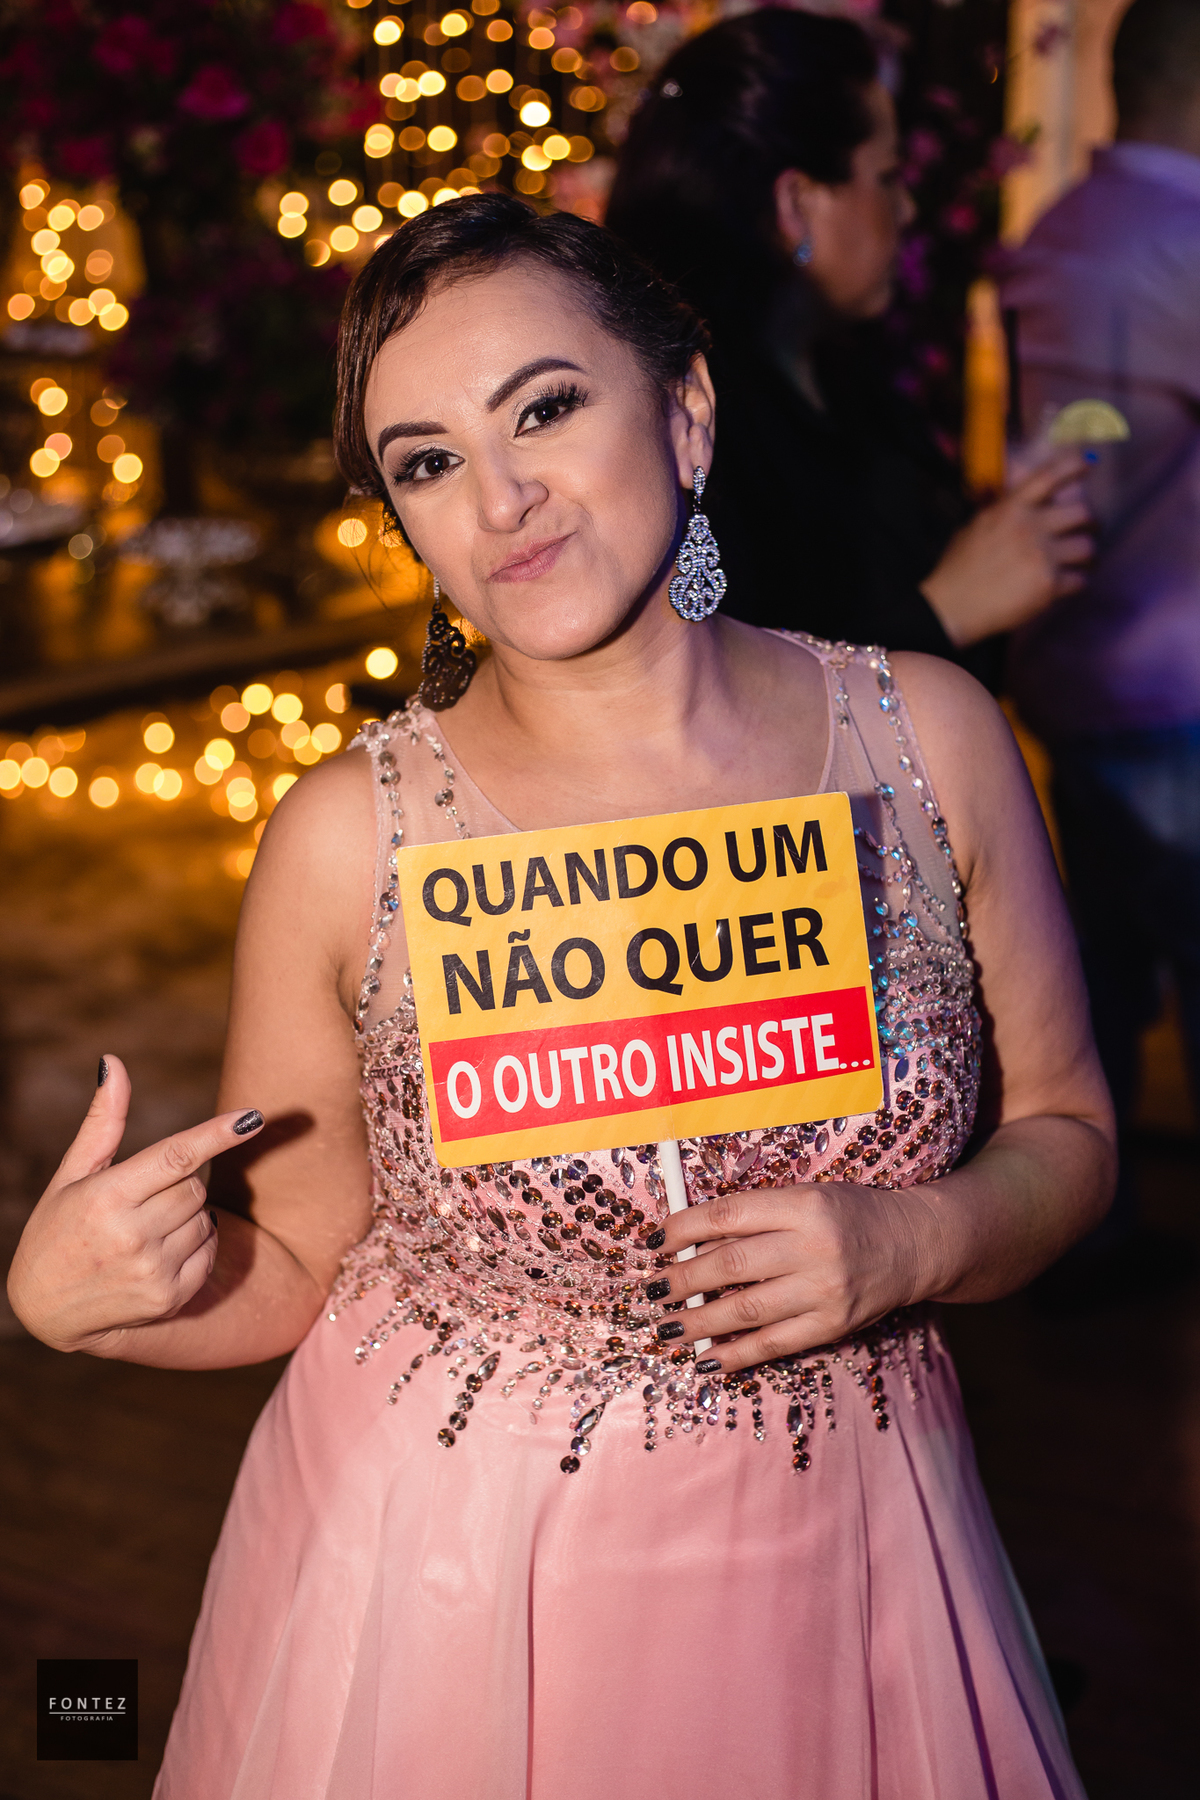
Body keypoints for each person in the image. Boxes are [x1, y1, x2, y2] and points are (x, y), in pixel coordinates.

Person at [8, 195, 1113, 1799]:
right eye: (427, 460)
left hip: (860, 1541)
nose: (500, 496)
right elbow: (301, 1261)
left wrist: (916, 1240)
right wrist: (91, 1303)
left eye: (543, 408)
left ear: (687, 409)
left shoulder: (924, 739)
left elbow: (1072, 1131)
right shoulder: (350, 838)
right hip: (464, 1575)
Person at [606, 8, 1093, 672]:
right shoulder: (691, 432)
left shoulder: (847, 378)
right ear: (796, 205)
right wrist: (947, 610)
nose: (908, 209)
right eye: (887, 177)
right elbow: (711, 689)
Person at [1004, 0, 1200, 1278]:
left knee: (1104, 984)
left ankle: (1094, 1239)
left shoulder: (1063, 227)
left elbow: (1076, 445)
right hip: (1180, 677)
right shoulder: (1184, 237)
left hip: (1076, 664)